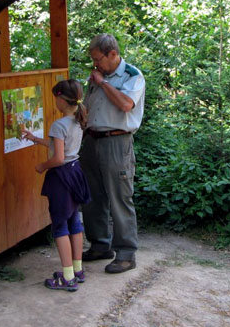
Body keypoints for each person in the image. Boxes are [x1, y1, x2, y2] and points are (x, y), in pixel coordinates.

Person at [79, 33, 145, 274]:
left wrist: (103, 83)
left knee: (120, 198)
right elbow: (89, 107)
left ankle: (126, 254)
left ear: (113, 54)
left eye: (98, 59)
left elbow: (126, 104)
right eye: (94, 60)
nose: (95, 64)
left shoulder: (132, 76)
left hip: (117, 142)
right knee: (92, 197)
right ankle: (100, 245)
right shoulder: (98, 77)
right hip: (92, 140)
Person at [24, 79, 92, 292]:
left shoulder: (59, 125)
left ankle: (67, 277)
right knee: (74, 222)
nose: (54, 101)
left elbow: (58, 158)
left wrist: (42, 166)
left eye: (55, 97)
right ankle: (77, 270)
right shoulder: (77, 120)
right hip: (75, 172)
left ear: (62, 99)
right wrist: (35, 139)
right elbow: (61, 147)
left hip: (61, 177)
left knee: (60, 225)